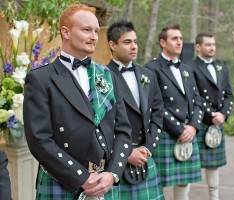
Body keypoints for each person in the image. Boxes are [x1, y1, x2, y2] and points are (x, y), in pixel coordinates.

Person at [23, 4, 132, 199]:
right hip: (62, 180)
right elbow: (39, 139)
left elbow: (123, 129)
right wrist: (81, 177)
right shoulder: (41, 79)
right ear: (65, 32)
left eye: (97, 31)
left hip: (104, 182)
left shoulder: (108, 76)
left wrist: (113, 173)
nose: (94, 36)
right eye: (86, 30)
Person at [106, 20, 164, 200]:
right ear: (112, 45)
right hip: (117, 159)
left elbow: (157, 113)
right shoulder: (101, 76)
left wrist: (148, 147)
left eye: (135, 42)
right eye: (127, 42)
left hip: (145, 156)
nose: (134, 47)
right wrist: (127, 152)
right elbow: (100, 123)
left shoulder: (148, 75)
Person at [145, 24, 203, 200]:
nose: (179, 42)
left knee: (184, 181)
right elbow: (155, 106)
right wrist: (179, 129)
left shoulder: (187, 69)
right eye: (174, 38)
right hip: (165, 132)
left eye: (181, 38)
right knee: (159, 182)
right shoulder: (151, 68)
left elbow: (197, 101)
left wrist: (193, 126)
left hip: (188, 132)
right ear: (163, 42)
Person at [189, 33, 234, 200]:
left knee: (214, 166)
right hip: (200, 122)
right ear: (198, 47)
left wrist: (223, 114)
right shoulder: (190, 67)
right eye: (208, 44)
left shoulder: (222, 67)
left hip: (217, 124)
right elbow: (194, 96)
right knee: (189, 165)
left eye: (214, 44)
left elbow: (229, 95)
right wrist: (210, 114)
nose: (212, 47)